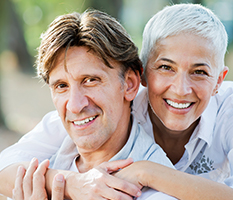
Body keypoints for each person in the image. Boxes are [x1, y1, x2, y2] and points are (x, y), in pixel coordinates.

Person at [1, 3, 233, 200]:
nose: (181, 89)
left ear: (219, 80)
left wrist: (146, 171)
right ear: (142, 75)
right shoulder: (107, 107)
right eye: (165, 67)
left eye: (199, 72)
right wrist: (73, 184)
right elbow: (5, 166)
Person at [0, 9, 177, 200]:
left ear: (130, 84)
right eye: (61, 86)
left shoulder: (157, 192)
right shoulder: (47, 157)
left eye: (91, 80)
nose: (75, 106)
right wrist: (70, 183)